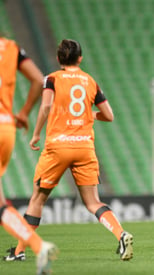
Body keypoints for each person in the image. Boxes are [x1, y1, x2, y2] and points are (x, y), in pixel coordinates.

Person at [7, 39, 133, 261]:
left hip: (58, 146)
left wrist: (36, 134)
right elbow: (109, 115)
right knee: (93, 202)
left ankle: (18, 252)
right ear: (80, 58)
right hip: (84, 146)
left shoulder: (52, 79)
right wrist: (89, 115)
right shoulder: (90, 81)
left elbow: (46, 106)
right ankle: (121, 234)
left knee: (37, 199)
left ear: (58, 59)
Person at [0, 35, 58, 274]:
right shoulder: (11, 48)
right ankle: (38, 246)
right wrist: (23, 113)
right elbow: (38, 79)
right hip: (5, 127)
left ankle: (36, 246)